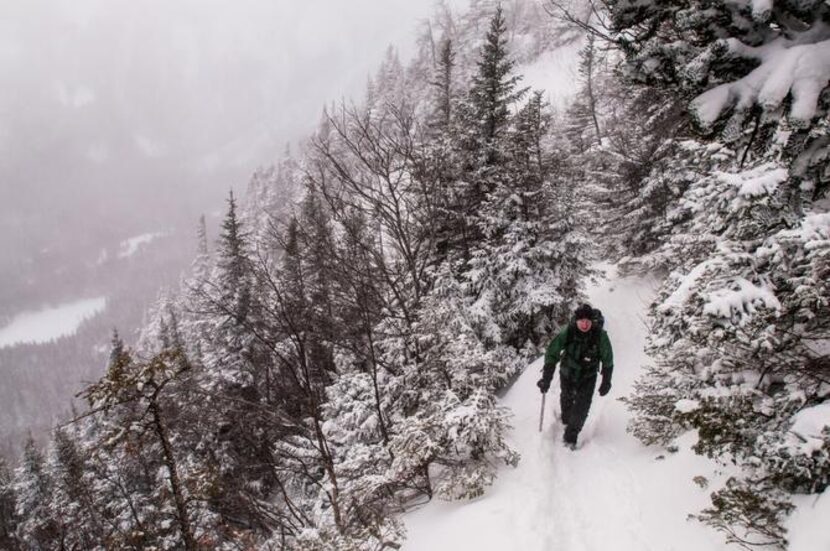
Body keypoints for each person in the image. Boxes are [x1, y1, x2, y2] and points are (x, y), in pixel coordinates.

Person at [537, 303, 614, 448]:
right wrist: (546, 378)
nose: (584, 324)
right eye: (581, 321)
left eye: (588, 321)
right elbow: (552, 353)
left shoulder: (600, 336)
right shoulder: (568, 332)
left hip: (588, 375)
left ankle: (571, 436)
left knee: (582, 406)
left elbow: (608, 359)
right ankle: (566, 419)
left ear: (592, 321)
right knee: (567, 398)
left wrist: (606, 381)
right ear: (576, 320)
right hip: (568, 372)